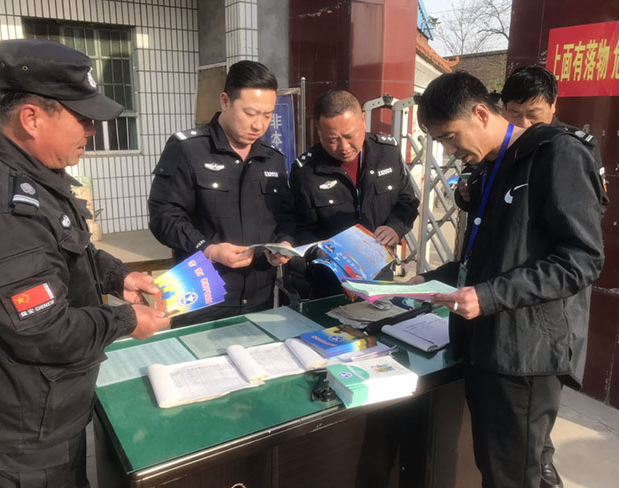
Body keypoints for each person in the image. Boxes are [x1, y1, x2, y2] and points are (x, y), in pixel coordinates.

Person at [0, 39, 171, 488]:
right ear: (31, 118)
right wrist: (126, 320)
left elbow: (70, 249)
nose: (92, 131)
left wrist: (119, 276)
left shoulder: (37, 174)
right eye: (82, 118)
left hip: (53, 401)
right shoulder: (4, 212)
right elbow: (45, 331)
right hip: (30, 424)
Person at [412, 71, 605, 488]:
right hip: (484, 344)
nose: (449, 151)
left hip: (523, 354)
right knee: (509, 468)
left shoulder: (558, 154)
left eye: (450, 137)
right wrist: (425, 280)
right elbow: (492, 256)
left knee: (513, 476)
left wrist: (489, 296)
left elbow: (581, 259)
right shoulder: (491, 165)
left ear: (481, 113)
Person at [148, 61, 295, 325]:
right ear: (225, 101)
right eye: (250, 113)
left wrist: (283, 243)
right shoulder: (188, 149)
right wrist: (209, 250)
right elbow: (164, 216)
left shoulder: (272, 158)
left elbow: (285, 216)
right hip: (201, 297)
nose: (259, 125)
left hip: (259, 299)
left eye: (267, 115)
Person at [288, 89, 419, 298]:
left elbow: (407, 200)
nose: (343, 147)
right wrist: (319, 251)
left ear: (363, 120)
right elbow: (299, 228)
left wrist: (395, 227)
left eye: (349, 136)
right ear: (318, 132)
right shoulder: (306, 171)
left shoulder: (387, 152)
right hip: (329, 282)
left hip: (379, 275)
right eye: (331, 139)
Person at [457, 65, 609, 217]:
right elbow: (470, 174)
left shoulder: (575, 146)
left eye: (533, 115)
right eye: (515, 113)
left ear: (553, 105)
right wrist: (465, 193)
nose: (524, 124)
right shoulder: (497, 139)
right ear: (504, 108)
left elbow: (596, 204)